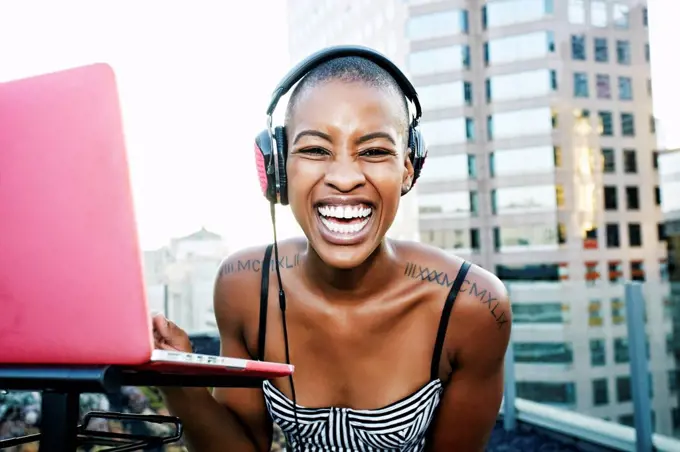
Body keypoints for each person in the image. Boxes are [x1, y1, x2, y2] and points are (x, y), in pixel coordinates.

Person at [152, 48, 512, 451]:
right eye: (315, 150)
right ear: (278, 169)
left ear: (408, 168)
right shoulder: (244, 285)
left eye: (374, 151)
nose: (344, 178)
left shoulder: (472, 305)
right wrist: (178, 379)